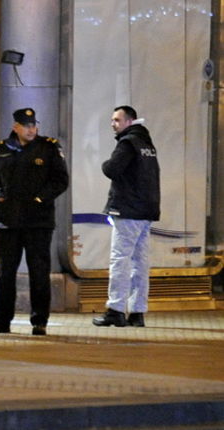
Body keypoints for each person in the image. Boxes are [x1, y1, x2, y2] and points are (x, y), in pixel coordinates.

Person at [0, 108, 69, 336]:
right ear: (15, 127)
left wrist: (41, 198)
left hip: (38, 222)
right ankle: (1, 320)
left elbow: (61, 180)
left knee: (39, 272)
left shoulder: (48, 147)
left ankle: (39, 321)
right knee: (5, 273)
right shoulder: (1, 149)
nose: (31, 129)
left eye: (34, 124)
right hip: (8, 221)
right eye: (26, 125)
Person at [93, 106, 159, 328]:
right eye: (112, 119)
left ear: (129, 121)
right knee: (140, 263)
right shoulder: (147, 144)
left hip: (128, 211)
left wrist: (103, 164)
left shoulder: (128, 143)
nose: (113, 123)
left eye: (117, 120)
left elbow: (112, 168)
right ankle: (137, 312)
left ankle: (115, 310)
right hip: (146, 211)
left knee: (120, 260)